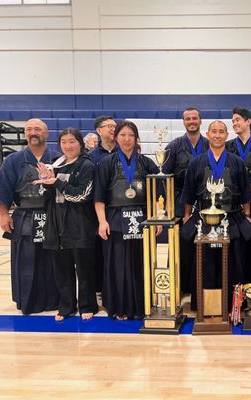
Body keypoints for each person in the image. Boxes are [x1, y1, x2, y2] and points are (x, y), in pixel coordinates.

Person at [182, 120, 251, 309]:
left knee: (232, 262)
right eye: (213, 131)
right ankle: (204, 305)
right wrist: (187, 215)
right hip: (204, 219)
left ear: (226, 136)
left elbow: (245, 191)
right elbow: (189, 192)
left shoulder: (236, 162)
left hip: (231, 218)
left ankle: (233, 305)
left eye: (221, 132)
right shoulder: (196, 162)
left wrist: (247, 214)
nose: (217, 135)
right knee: (204, 262)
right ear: (207, 134)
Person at [94, 120, 162, 320]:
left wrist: (157, 218)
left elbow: (158, 194)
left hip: (141, 219)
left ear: (136, 138)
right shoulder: (106, 163)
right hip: (115, 220)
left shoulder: (147, 163)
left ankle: (142, 305)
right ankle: (118, 307)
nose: (126, 139)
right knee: (117, 265)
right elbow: (99, 196)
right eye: (122, 135)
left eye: (130, 135)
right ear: (116, 137)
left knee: (141, 263)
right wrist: (102, 221)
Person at [0, 118, 59, 315]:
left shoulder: (57, 158)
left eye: (37, 129)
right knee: (26, 260)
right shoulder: (13, 160)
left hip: (51, 215)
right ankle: (28, 300)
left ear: (46, 134)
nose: (32, 132)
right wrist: (4, 214)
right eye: (28, 129)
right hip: (25, 216)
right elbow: (3, 188)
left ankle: (54, 300)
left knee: (53, 260)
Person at [34, 128, 98, 321]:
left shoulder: (86, 166)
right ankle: (66, 306)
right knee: (62, 270)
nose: (68, 146)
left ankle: (88, 305)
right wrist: (45, 183)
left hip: (80, 224)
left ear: (80, 143)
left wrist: (57, 183)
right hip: (56, 224)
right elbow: (46, 198)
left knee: (84, 269)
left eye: (72, 141)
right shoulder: (56, 165)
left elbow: (81, 195)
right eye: (64, 142)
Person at [162, 108, 210, 295]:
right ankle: (182, 286)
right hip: (180, 201)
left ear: (200, 120)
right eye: (188, 119)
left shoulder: (209, 144)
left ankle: (201, 285)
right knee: (183, 246)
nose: (191, 121)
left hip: (207, 202)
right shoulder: (173, 146)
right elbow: (164, 177)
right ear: (184, 122)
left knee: (205, 244)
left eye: (195, 118)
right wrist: (167, 205)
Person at [225, 107, 251, 282]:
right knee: (237, 246)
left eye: (238, 120)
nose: (235, 123)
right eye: (233, 121)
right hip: (235, 205)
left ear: (248, 121)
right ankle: (238, 283)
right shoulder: (228, 146)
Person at [88, 115, 117, 295]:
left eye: (115, 126)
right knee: (98, 251)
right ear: (99, 131)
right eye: (109, 126)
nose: (113, 129)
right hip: (97, 210)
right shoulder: (91, 157)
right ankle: (100, 288)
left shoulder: (125, 152)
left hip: (119, 209)